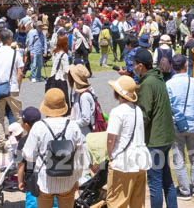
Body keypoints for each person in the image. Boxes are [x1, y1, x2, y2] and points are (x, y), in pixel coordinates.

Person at [19, 88, 88, 208]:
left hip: (44, 180)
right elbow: (80, 157)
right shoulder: (73, 126)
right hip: (68, 179)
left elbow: (29, 156)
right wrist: (76, 178)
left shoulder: (38, 127)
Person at [133, 48, 178, 208]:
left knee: (155, 183)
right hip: (165, 136)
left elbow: (144, 114)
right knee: (167, 181)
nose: (133, 66)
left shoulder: (148, 84)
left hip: (155, 140)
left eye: (134, 64)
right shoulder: (157, 79)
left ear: (141, 66)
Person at [106, 75, 151, 208]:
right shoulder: (137, 110)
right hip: (140, 159)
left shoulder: (117, 112)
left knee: (116, 202)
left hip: (122, 162)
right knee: (138, 202)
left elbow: (110, 139)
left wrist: (110, 156)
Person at [166, 54, 194, 201]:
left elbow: (167, 105)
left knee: (178, 158)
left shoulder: (169, 84)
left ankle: (184, 190)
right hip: (192, 124)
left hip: (176, 125)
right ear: (185, 66)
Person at [0, 29, 24, 142]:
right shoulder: (15, 53)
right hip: (12, 87)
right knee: (19, 115)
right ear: (10, 39)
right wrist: (18, 87)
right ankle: (22, 138)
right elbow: (20, 73)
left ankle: (2, 140)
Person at [69, 64, 96, 137]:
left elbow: (86, 120)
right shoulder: (79, 93)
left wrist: (71, 123)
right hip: (80, 131)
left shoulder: (84, 96)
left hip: (84, 135)